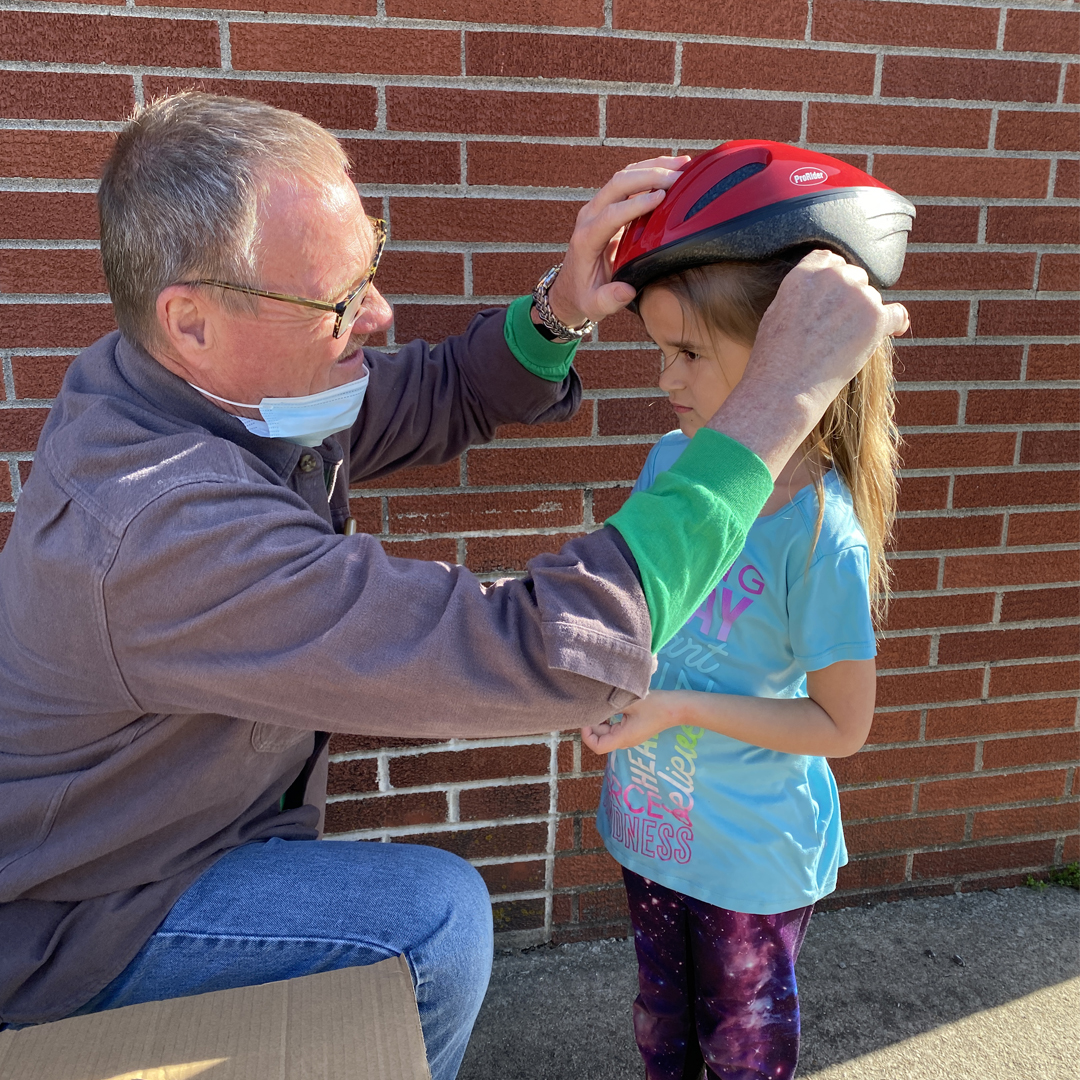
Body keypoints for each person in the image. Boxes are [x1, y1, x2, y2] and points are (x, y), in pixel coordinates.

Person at [0, 99, 907, 1077]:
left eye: (372, 258)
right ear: (193, 321)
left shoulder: (196, 386)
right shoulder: (163, 531)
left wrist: (561, 308)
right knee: (429, 921)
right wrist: (774, 403)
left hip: (166, 841)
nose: (379, 314)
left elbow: (432, 395)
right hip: (81, 920)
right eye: (339, 300)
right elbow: (532, 653)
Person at [583, 141, 911, 1080]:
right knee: (661, 1022)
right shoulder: (666, 465)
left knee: (744, 1041)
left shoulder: (820, 538)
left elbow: (842, 725)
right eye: (659, 351)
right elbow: (636, 605)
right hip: (653, 826)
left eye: (688, 351)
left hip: (751, 860)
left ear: (789, 354)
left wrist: (679, 709)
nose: (664, 379)